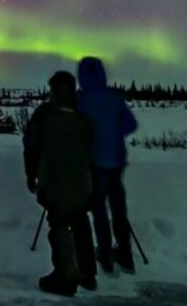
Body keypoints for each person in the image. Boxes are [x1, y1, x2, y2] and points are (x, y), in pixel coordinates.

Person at [23, 71, 97, 297]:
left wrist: (30, 174)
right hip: (82, 182)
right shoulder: (85, 115)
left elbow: (31, 145)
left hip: (53, 180)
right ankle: (87, 273)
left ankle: (66, 275)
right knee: (80, 219)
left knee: (59, 223)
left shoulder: (45, 113)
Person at [77, 56, 138, 274]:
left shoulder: (81, 101)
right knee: (119, 209)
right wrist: (114, 134)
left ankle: (104, 254)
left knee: (99, 209)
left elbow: (77, 131)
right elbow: (131, 124)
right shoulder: (114, 98)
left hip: (94, 164)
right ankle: (125, 255)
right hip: (117, 163)